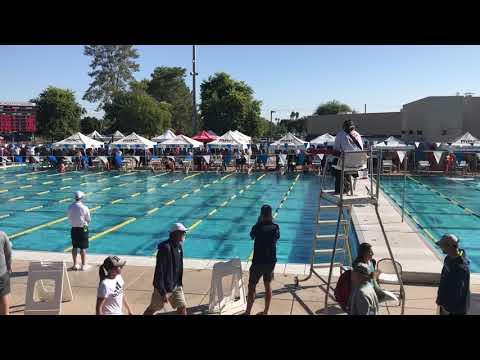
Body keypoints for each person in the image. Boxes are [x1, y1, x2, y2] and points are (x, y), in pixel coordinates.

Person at [144, 223, 188, 315]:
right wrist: (163, 292)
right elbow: (159, 271)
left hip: (176, 286)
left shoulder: (179, 246)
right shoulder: (165, 248)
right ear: (175, 234)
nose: (184, 235)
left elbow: (179, 266)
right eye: (182, 233)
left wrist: (179, 283)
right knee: (153, 309)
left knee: (182, 307)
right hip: (163, 287)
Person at [245, 205, 280, 315]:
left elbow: (251, 236)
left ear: (261, 215)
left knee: (251, 287)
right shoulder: (275, 227)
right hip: (270, 263)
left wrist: (258, 222)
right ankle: (265, 312)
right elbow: (277, 237)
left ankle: (248, 312)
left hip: (258, 263)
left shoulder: (257, 227)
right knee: (267, 285)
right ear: (270, 215)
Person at [435, 234, 470, 315]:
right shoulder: (448, 258)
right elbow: (443, 280)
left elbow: (458, 291)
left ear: (450, 246)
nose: (441, 248)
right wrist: (440, 300)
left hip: (454, 309)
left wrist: (448, 308)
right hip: (444, 304)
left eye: (442, 246)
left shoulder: (461, 267)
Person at [333, 119, 363, 194]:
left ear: (344, 127)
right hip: (358, 164)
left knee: (335, 163)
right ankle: (347, 186)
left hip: (346, 164)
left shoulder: (340, 135)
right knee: (344, 161)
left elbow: (335, 150)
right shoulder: (358, 135)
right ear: (353, 127)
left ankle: (340, 189)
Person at [67, 191, 91, 271]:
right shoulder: (85, 207)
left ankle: (75, 264)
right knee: (83, 247)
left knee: (74, 247)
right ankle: (84, 265)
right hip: (83, 227)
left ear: (75, 198)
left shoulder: (70, 207)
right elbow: (88, 220)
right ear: (82, 198)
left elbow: (69, 218)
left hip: (74, 228)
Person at [0, 231, 12, 315]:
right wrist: (9, 266)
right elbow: (8, 252)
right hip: (2, 272)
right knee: (5, 294)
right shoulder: (2, 234)